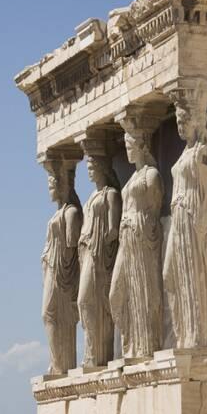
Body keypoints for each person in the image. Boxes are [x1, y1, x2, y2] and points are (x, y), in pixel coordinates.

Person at [163, 101, 207, 348]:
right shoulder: (185, 154)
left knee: (194, 275)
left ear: (196, 121)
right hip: (179, 218)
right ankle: (183, 334)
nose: (179, 125)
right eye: (177, 121)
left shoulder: (203, 152)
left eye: (183, 120)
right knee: (170, 274)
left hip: (193, 217)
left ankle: (197, 336)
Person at [110, 132, 164, 358]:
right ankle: (129, 342)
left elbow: (154, 211)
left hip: (141, 238)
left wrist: (141, 230)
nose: (127, 150)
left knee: (144, 291)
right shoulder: (133, 178)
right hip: (126, 239)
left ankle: (145, 347)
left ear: (142, 146)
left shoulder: (151, 176)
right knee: (116, 293)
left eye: (130, 145)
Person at [78, 155, 121, 367]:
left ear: (103, 167)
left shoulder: (110, 195)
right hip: (86, 252)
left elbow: (113, 229)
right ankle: (91, 353)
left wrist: (99, 241)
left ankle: (98, 354)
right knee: (85, 302)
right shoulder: (91, 197)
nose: (89, 170)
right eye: (88, 167)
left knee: (87, 300)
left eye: (93, 166)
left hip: (98, 253)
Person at [41, 166, 82, 374]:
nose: (49, 189)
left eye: (52, 184)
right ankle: (58, 363)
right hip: (51, 268)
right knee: (49, 315)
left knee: (52, 314)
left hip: (61, 272)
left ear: (62, 184)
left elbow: (72, 248)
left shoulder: (71, 213)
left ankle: (62, 364)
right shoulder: (60, 212)